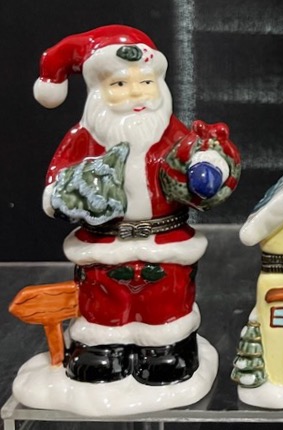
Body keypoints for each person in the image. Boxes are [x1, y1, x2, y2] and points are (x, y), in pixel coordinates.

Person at [13, 25, 240, 415]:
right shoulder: (84, 139)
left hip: (165, 243)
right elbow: (57, 184)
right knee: (104, 299)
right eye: (120, 84)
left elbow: (202, 155)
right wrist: (68, 195)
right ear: (98, 91)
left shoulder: (172, 135)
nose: (137, 94)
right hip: (105, 244)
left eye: (145, 82)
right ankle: (102, 349)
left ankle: (167, 349)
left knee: (165, 299)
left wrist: (209, 165)